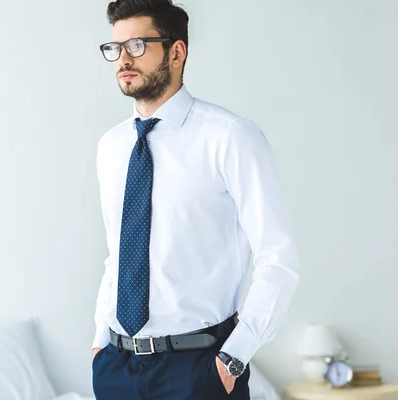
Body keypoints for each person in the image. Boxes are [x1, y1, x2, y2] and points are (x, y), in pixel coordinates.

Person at [91, 1, 300, 399]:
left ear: (176, 52)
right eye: (114, 48)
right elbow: (117, 254)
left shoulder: (229, 137)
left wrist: (233, 358)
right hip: (117, 367)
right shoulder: (111, 146)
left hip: (198, 370)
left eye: (136, 45)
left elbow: (279, 259)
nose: (122, 59)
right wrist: (101, 341)